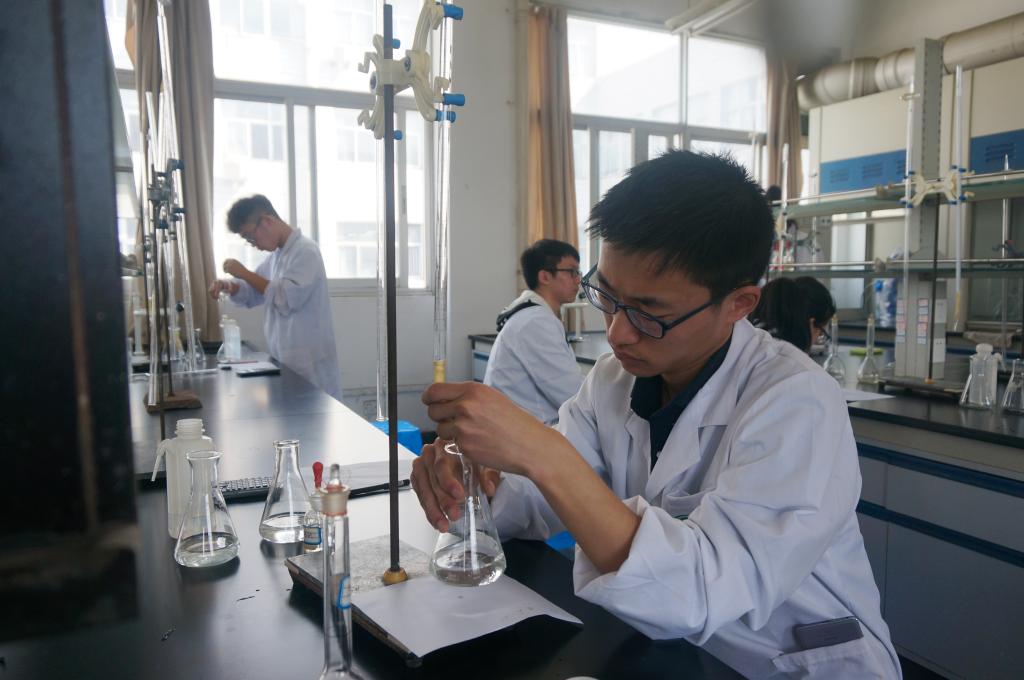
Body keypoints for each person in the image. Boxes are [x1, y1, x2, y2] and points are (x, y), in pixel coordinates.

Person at [413, 152, 899, 679]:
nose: (618, 332)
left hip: (783, 662)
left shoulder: (797, 401)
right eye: (607, 295)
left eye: (650, 313)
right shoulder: (613, 380)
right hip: (670, 653)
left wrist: (542, 452)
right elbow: (540, 499)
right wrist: (479, 488)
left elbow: (696, 589)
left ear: (738, 304)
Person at [208, 195, 342, 401]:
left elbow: (284, 297)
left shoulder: (306, 251)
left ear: (267, 221)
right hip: (286, 361)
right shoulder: (276, 257)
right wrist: (230, 286)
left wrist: (243, 272)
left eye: (250, 236)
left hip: (310, 366)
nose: (252, 244)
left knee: (315, 414)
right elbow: (255, 290)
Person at [483, 239, 584, 425]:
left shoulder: (533, 315)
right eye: (571, 272)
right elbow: (572, 395)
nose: (578, 280)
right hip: (523, 432)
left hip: (518, 426)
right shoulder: (536, 322)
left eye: (578, 272)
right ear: (544, 277)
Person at [749, 276, 836, 353]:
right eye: (821, 333)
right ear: (811, 324)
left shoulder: (752, 341)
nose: (816, 340)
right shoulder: (796, 362)